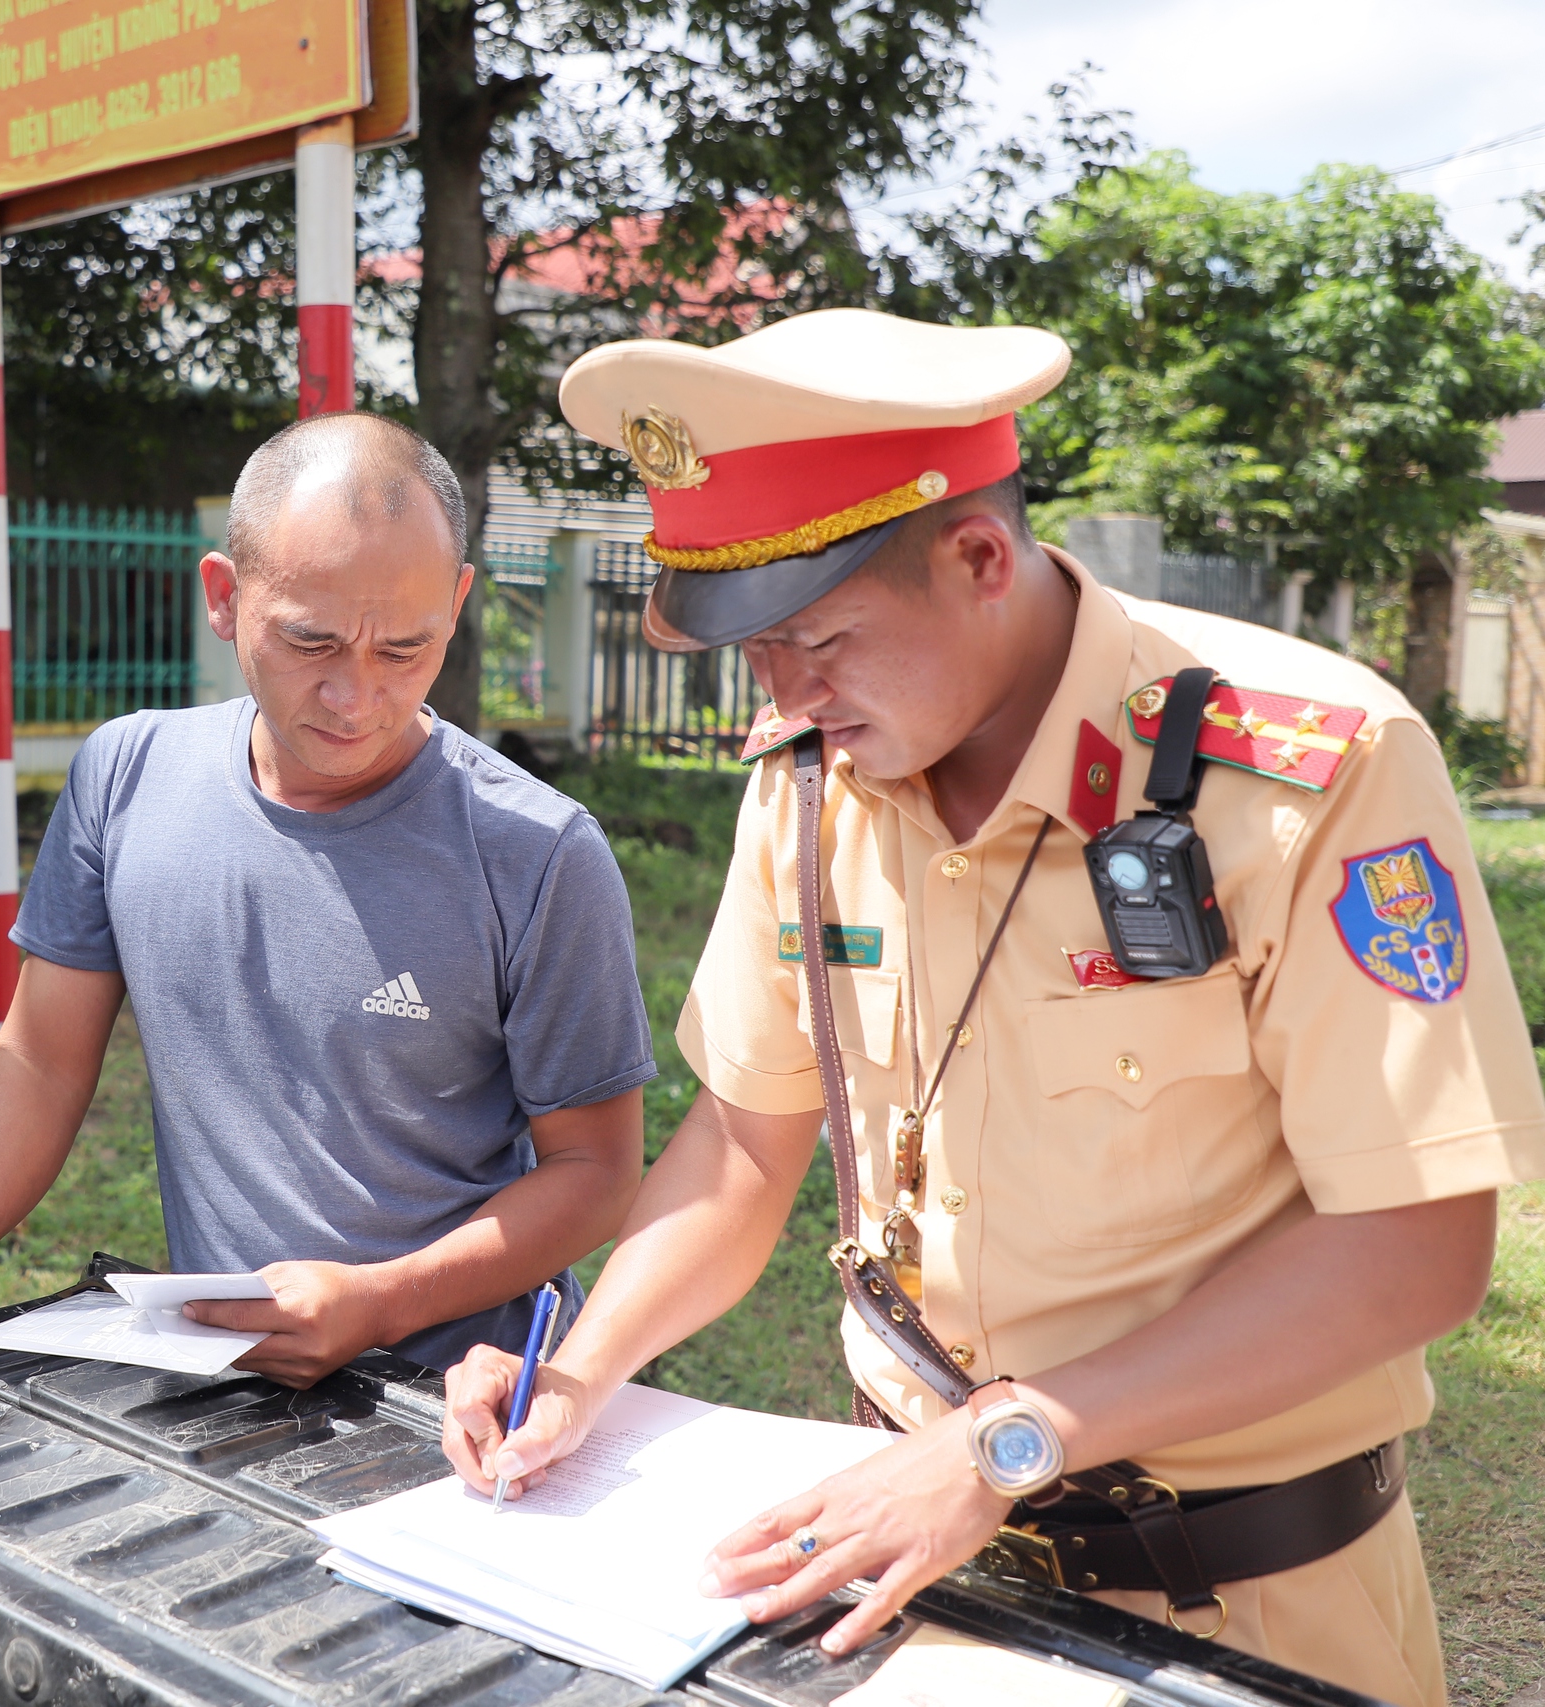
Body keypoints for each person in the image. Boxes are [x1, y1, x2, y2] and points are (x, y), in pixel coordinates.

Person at [440, 308, 1542, 1707]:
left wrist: (999, 1446)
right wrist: (580, 1372)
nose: (783, 692)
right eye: (753, 651)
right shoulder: (810, 781)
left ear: (977, 557)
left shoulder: (1308, 771)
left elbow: (1413, 1248)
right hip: (909, 1582)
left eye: (817, 637)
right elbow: (742, 1144)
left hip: (1236, 1597)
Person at [0, 413, 654, 1383]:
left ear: (458, 603)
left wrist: (384, 1301)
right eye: (311, 641)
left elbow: (595, 1173)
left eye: (402, 649)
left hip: (465, 1394)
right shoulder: (127, 778)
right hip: (229, 1381)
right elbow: (40, 1058)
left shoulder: (538, 853)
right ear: (224, 596)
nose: (354, 697)